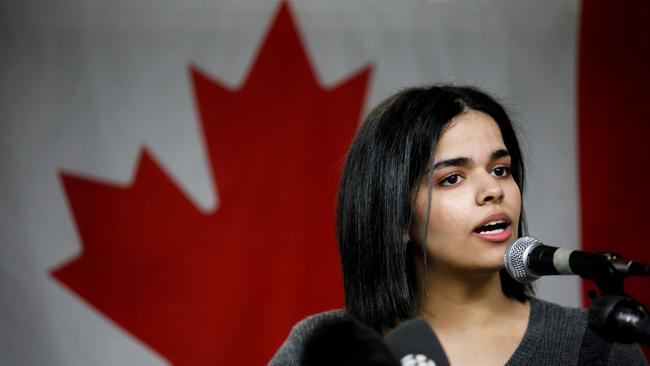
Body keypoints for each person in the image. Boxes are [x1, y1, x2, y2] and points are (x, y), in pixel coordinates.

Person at [270, 85, 648, 365]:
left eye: (501, 170)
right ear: (397, 218)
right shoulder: (325, 348)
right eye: (452, 178)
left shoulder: (599, 344)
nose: (492, 190)